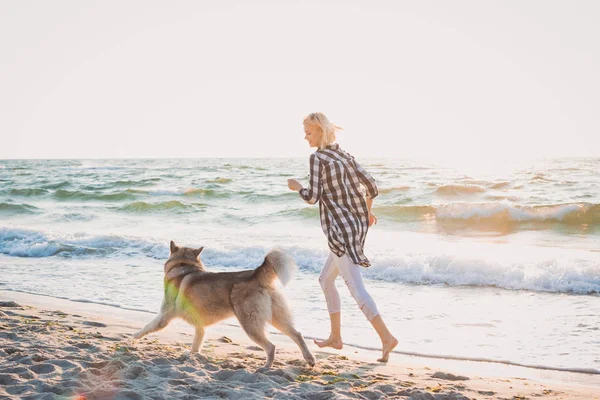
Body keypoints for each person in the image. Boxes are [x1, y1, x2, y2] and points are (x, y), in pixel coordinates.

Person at [287, 112, 398, 362]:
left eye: (308, 132)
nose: (305, 138)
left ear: (320, 131)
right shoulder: (345, 155)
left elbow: (312, 197)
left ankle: (387, 338)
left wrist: (297, 187)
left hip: (339, 230)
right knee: (325, 280)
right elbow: (372, 186)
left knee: (355, 288)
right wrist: (367, 213)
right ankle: (335, 337)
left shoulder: (317, 159)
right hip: (355, 227)